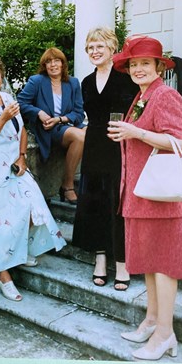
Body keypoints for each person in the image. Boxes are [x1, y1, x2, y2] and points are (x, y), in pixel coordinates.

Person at [107, 35, 182, 360]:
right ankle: (151, 321)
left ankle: (165, 334)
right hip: (141, 196)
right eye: (133, 64)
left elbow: (180, 143)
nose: (139, 69)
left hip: (162, 199)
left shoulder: (166, 95)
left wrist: (135, 132)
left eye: (145, 63)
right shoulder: (142, 96)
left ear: (159, 66)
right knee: (148, 264)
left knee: (164, 266)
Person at [0, 53, 66, 302]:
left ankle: (17, 250)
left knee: (34, 208)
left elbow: (21, 129)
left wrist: (22, 156)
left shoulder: (7, 98)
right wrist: (3, 118)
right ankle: (4, 277)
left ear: (2, 75)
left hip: (13, 168)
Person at [72, 27, 138, 290]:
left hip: (119, 144)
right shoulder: (86, 82)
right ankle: (100, 258)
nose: (95, 51)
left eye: (100, 46)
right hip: (94, 144)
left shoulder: (125, 78)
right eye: (90, 48)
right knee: (95, 202)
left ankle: (122, 262)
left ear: (112, 48)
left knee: (116, 201)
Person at [17, 47, 86, 204]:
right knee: (80, 137)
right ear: (44, 65)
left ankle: (89, 182)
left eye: (56, 61)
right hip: (46, 128)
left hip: (63, 124)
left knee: (92, 133)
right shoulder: (37, 81)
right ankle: (67, 185)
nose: (53, 65)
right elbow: (20, 102)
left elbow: (79, 113)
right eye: (48, 62)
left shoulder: (73, 83)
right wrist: (39, 113)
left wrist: (60, 119)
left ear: (63, 64)